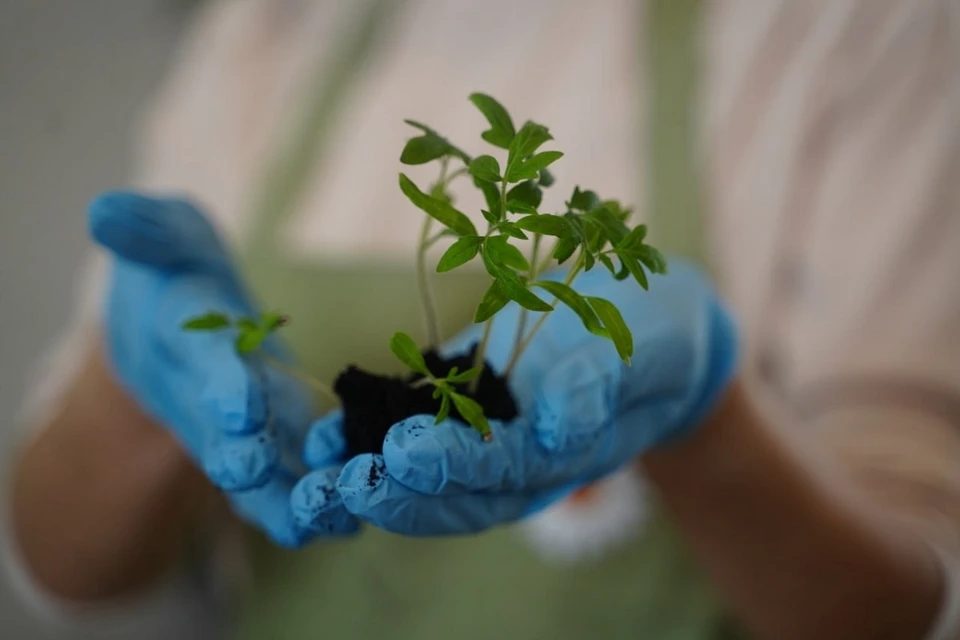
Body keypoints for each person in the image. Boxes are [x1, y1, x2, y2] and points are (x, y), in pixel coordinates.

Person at [3, 0, 959, 638]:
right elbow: (62, 573)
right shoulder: (270, 25)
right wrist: (132, 387)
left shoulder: (859, 25)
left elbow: (918, 598)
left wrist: (708, 421)